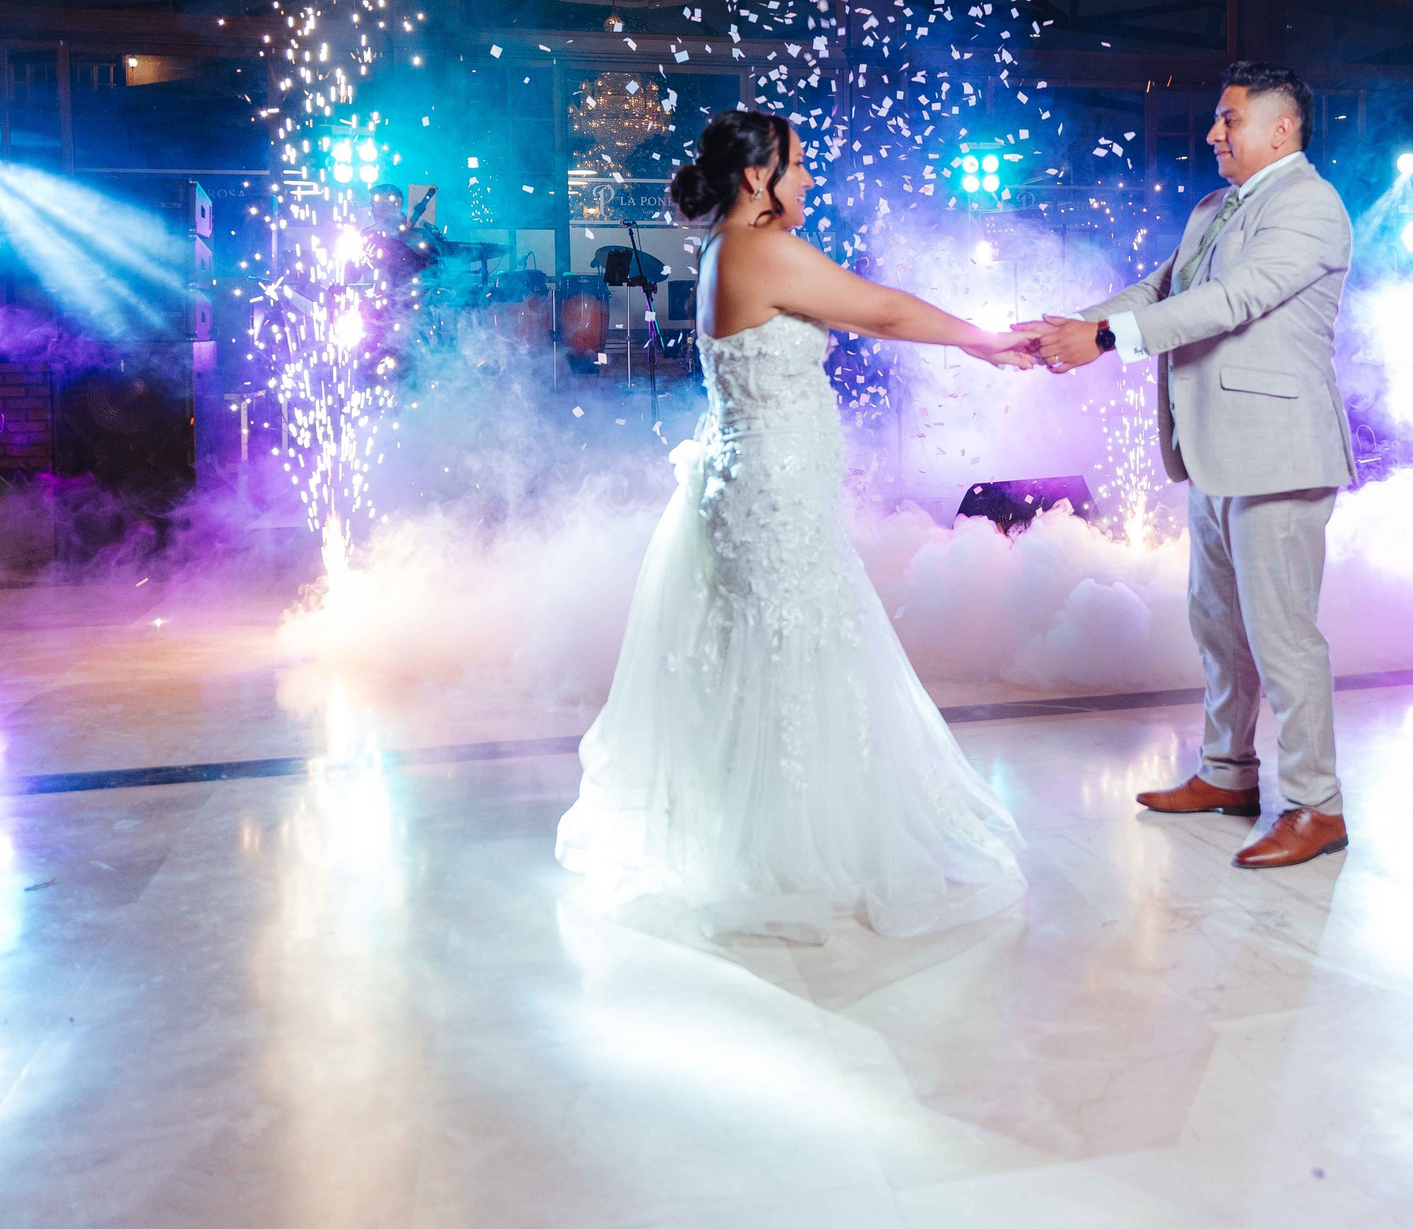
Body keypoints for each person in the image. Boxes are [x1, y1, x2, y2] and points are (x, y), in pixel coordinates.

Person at [556, 109, 1036, 942]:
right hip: (771, 494)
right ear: (756, 178)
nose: (810, 178)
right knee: (796, 653)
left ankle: (766, 834)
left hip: (761, 485)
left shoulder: (724, 249)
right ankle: (787, 855)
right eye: (799, 165)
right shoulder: (761, 248)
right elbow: (880, 311)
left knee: (777, 656)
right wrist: (981, 342)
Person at [1020, 63, 1357, 871]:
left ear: (1282, 129)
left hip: (1278, 450)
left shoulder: (1310, 205)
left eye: (1228, 120)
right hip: (1211, 447)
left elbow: (1232, 300)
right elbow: (1159, 287)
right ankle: (1227, 773)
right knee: (1218, 625)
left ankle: (1317, 806)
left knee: (1283, 638)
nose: (1213, 134)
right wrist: (1073, 324)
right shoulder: (1214, 206)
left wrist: (1102, 342)